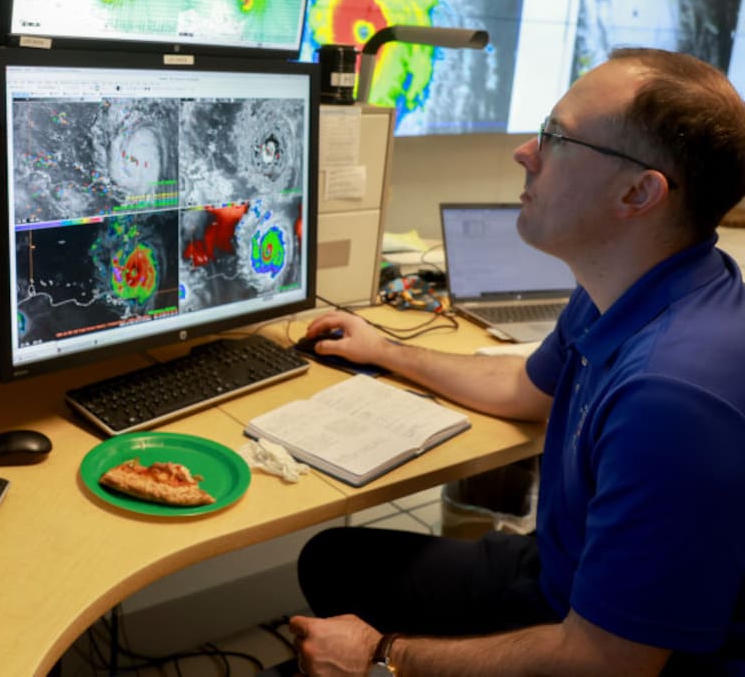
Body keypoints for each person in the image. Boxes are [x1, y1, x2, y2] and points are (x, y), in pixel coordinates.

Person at [288, 48, 745, 676]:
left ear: (639, 192)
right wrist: (383, 349)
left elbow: (604, 663)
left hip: (604, 645)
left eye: (555, 137)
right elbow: (524, 387)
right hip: (559, 575)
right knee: (332, 561)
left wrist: (380, 657)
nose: (525, 152)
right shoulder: (636, 284)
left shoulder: (674, 400)